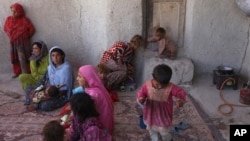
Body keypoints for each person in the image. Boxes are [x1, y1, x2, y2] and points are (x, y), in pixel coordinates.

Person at [137, 64, 186, 141]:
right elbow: (141, 92)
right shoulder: (147, 85)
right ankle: (155, 139)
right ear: (153, 77)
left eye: (163, 85)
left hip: (163, 115)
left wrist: (180, 100)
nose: (159, 87)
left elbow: (181, 92)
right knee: (152, 130)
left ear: (168, 81)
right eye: (157, 84)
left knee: (165, 132)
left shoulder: (170, 87)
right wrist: (141, 98)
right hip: (151, 113)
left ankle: (167, 139)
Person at [24, 46, 74, 111]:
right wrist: (35, 89)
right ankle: (32, 103)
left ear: (62, 56)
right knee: (29, 89)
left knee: (45, 105)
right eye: (53, 55)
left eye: (58, 55)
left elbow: (66, 88)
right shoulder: (50, 68)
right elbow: (43, 79)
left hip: (60, 94)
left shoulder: (66, 68)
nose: (55, 58)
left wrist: (49, 96)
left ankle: (36, 104)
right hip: (48, 89)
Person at [77, 65, 114, 134]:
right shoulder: (96, 88)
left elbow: (87, 115)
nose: (77, 79)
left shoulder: (93, 95)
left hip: (101, 129)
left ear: (87, 78)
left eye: (80, 76)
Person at [3, 3, 35, 78]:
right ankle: (17, 72)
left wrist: (24, 37)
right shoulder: (9, 19)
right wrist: (12, 36)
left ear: (20, 11)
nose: (13, 13)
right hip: (13, 42)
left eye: (15, 11)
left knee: (26, 56)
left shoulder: (25, 20)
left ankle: (28, 71)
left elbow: (32, 29)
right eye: (12, 11)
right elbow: (5, 28)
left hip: (24, 43)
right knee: (15, 57)